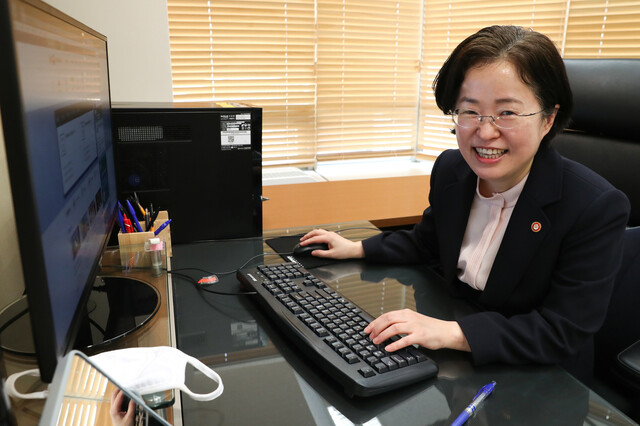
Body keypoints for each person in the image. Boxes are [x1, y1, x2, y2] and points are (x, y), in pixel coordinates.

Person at [298, 25, 630, 384]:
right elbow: (428, 241)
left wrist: (452, 333)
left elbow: (561, 331)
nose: (485, 132)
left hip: (539, 378)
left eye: (507, 113)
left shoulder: (594, 207)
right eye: (470, 111)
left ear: (548, 119)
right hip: (458, 363)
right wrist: (356, 247)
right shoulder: (452, 170)